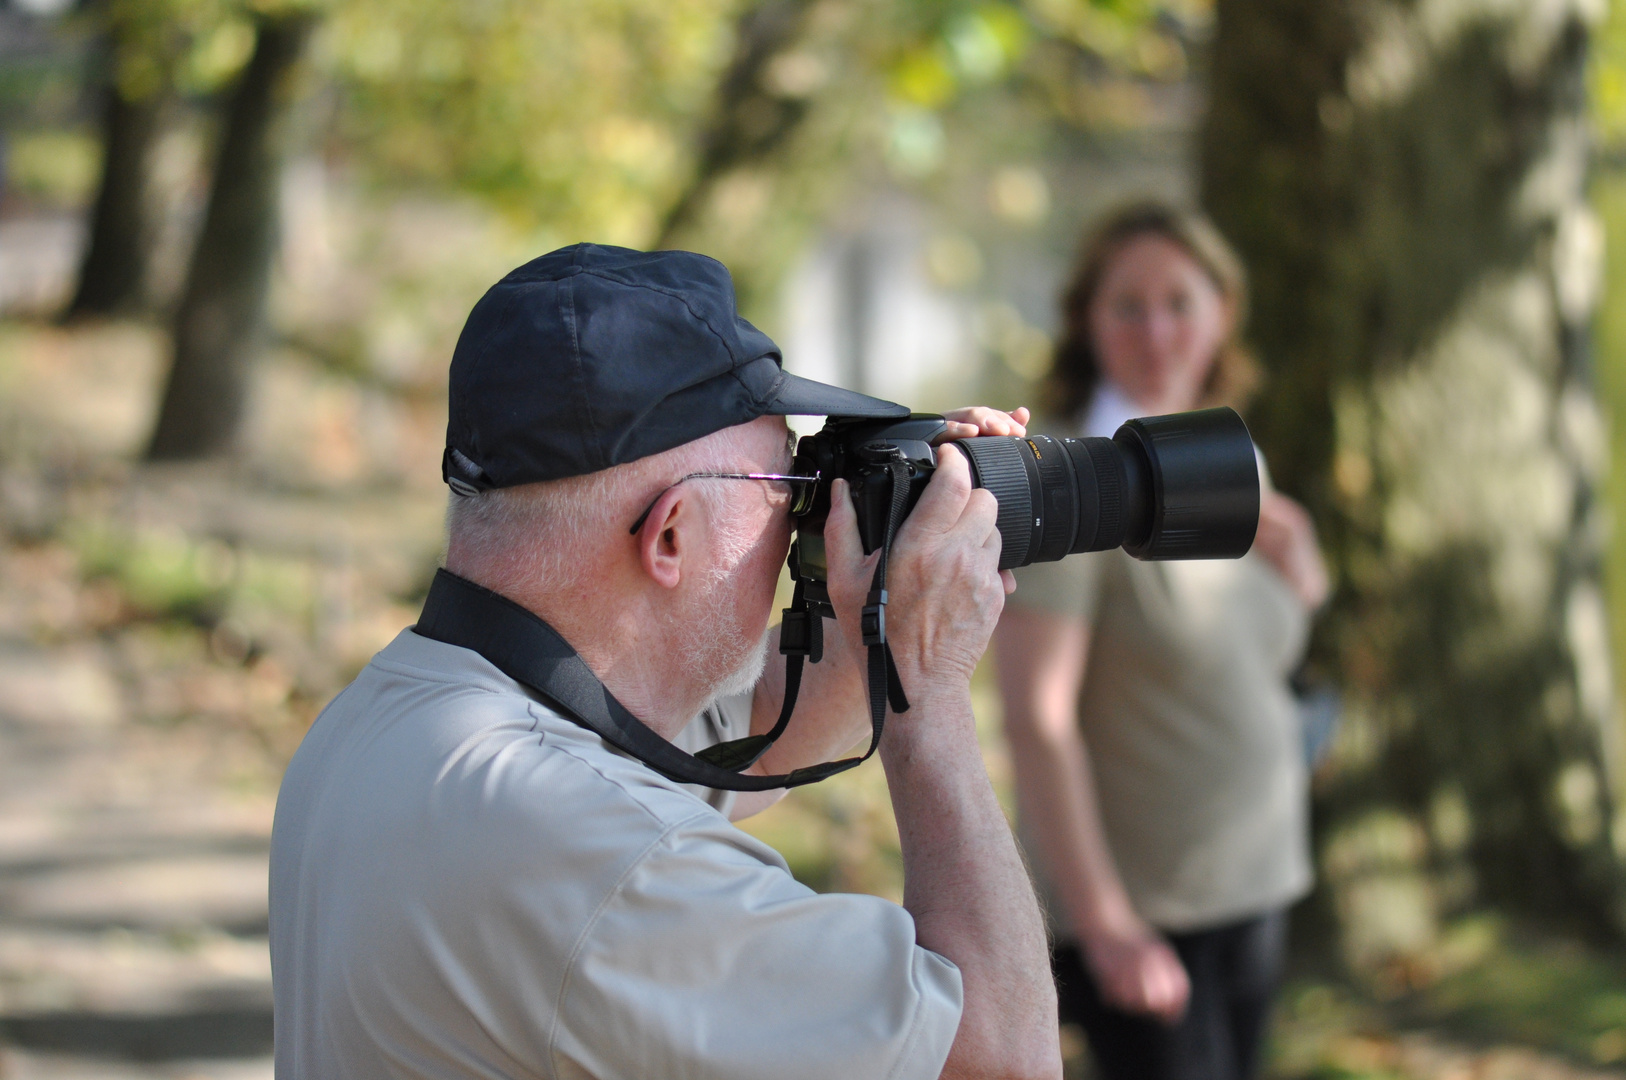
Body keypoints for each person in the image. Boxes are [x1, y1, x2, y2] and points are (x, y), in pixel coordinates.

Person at [269, 243, 1061, 1080]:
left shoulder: (401, 715)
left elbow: (757, 731)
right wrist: (926, 687)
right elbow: (1003, 1058)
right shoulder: (599, 858)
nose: (799, 519)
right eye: (785, 486)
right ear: (672, 535)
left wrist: (897, 538)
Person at [992, 203, 1329, 1080]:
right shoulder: (1074, 487)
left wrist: (1299, 576)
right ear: (1086, 322)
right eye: (1128, 306)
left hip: (1252, 880)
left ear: (1224, 311)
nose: (1158, 331)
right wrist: (1107, 926)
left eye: (1181, 302)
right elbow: (1037, 722)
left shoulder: (1232, 457)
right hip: (1142, 912)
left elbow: (1243, 658)